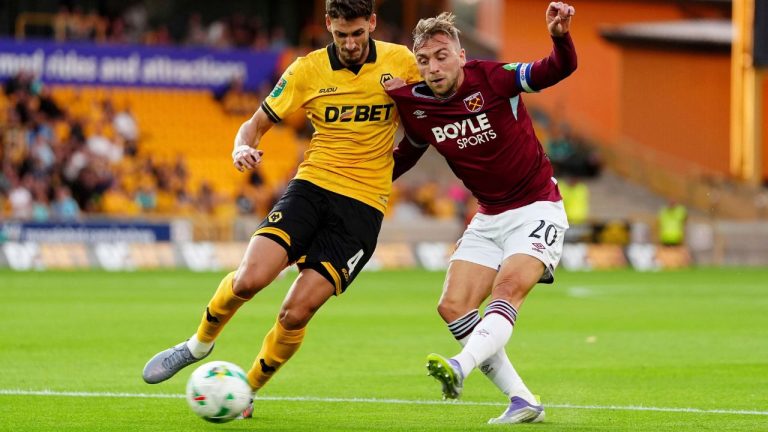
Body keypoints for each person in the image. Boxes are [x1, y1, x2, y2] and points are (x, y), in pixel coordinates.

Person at [142, 0, 421, 417]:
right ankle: (197, 344)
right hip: (311, 188)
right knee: (248, 281)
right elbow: (255, 124)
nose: (349, 43)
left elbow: (424, 127)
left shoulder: (402, 63)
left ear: (373, 24)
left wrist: (382, 175)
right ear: (328, 25)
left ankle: (246, 390)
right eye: (340, 34)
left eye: (358, 33)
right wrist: (241, 147)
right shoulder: (306, 69)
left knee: (295, 312)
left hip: (362, 209)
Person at [384, 2, 577, 424]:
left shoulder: (493, 78)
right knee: (453, 306)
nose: (432, 67)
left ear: (460, 56)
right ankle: (523, 400)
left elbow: (554, 70)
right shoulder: (414, 105)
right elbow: (408, 153)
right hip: (488, 217)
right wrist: (366, 184)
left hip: (537, 207)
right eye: (423, 60)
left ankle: (460, 365)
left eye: (440, 57)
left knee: (506, 291)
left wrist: (560, 37)